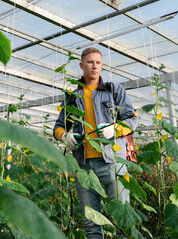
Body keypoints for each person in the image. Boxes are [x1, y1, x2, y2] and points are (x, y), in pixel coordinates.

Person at [53, 47, 137, 239]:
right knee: (91, 223)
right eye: (90, 62)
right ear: (82, 65)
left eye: (98, 63)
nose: (94, 66)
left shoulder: (113, 90)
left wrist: (114, 129)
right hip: (84, 166)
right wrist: (64, 136)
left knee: (123, 220)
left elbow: (132, 120)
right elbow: (58, 126)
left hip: (112, 163)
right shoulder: (72, 96)